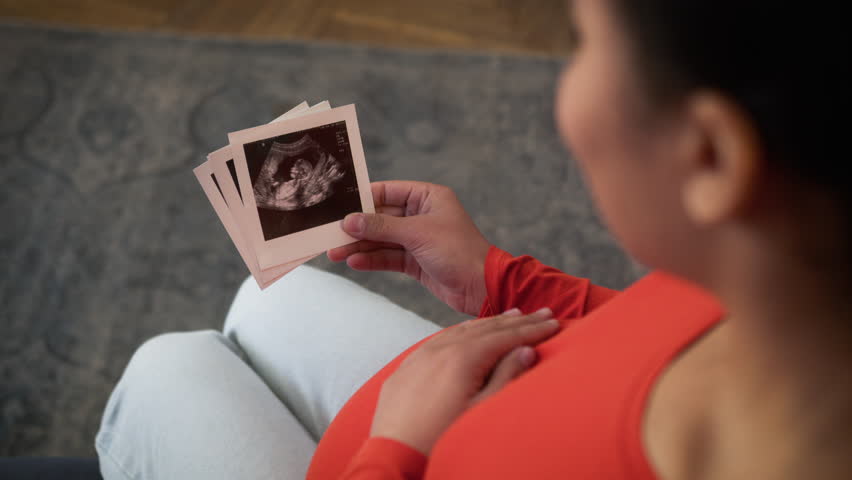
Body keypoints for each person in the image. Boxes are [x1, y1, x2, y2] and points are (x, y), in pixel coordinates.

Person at [95, 0, 851, 478]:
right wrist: (501, 279)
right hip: (446, 402)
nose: (569, 86)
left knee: (167, 364)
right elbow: (646, 330)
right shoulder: (789, 281)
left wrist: (398, 451)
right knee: (267, 299)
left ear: (711, 155)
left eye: (583, 40)